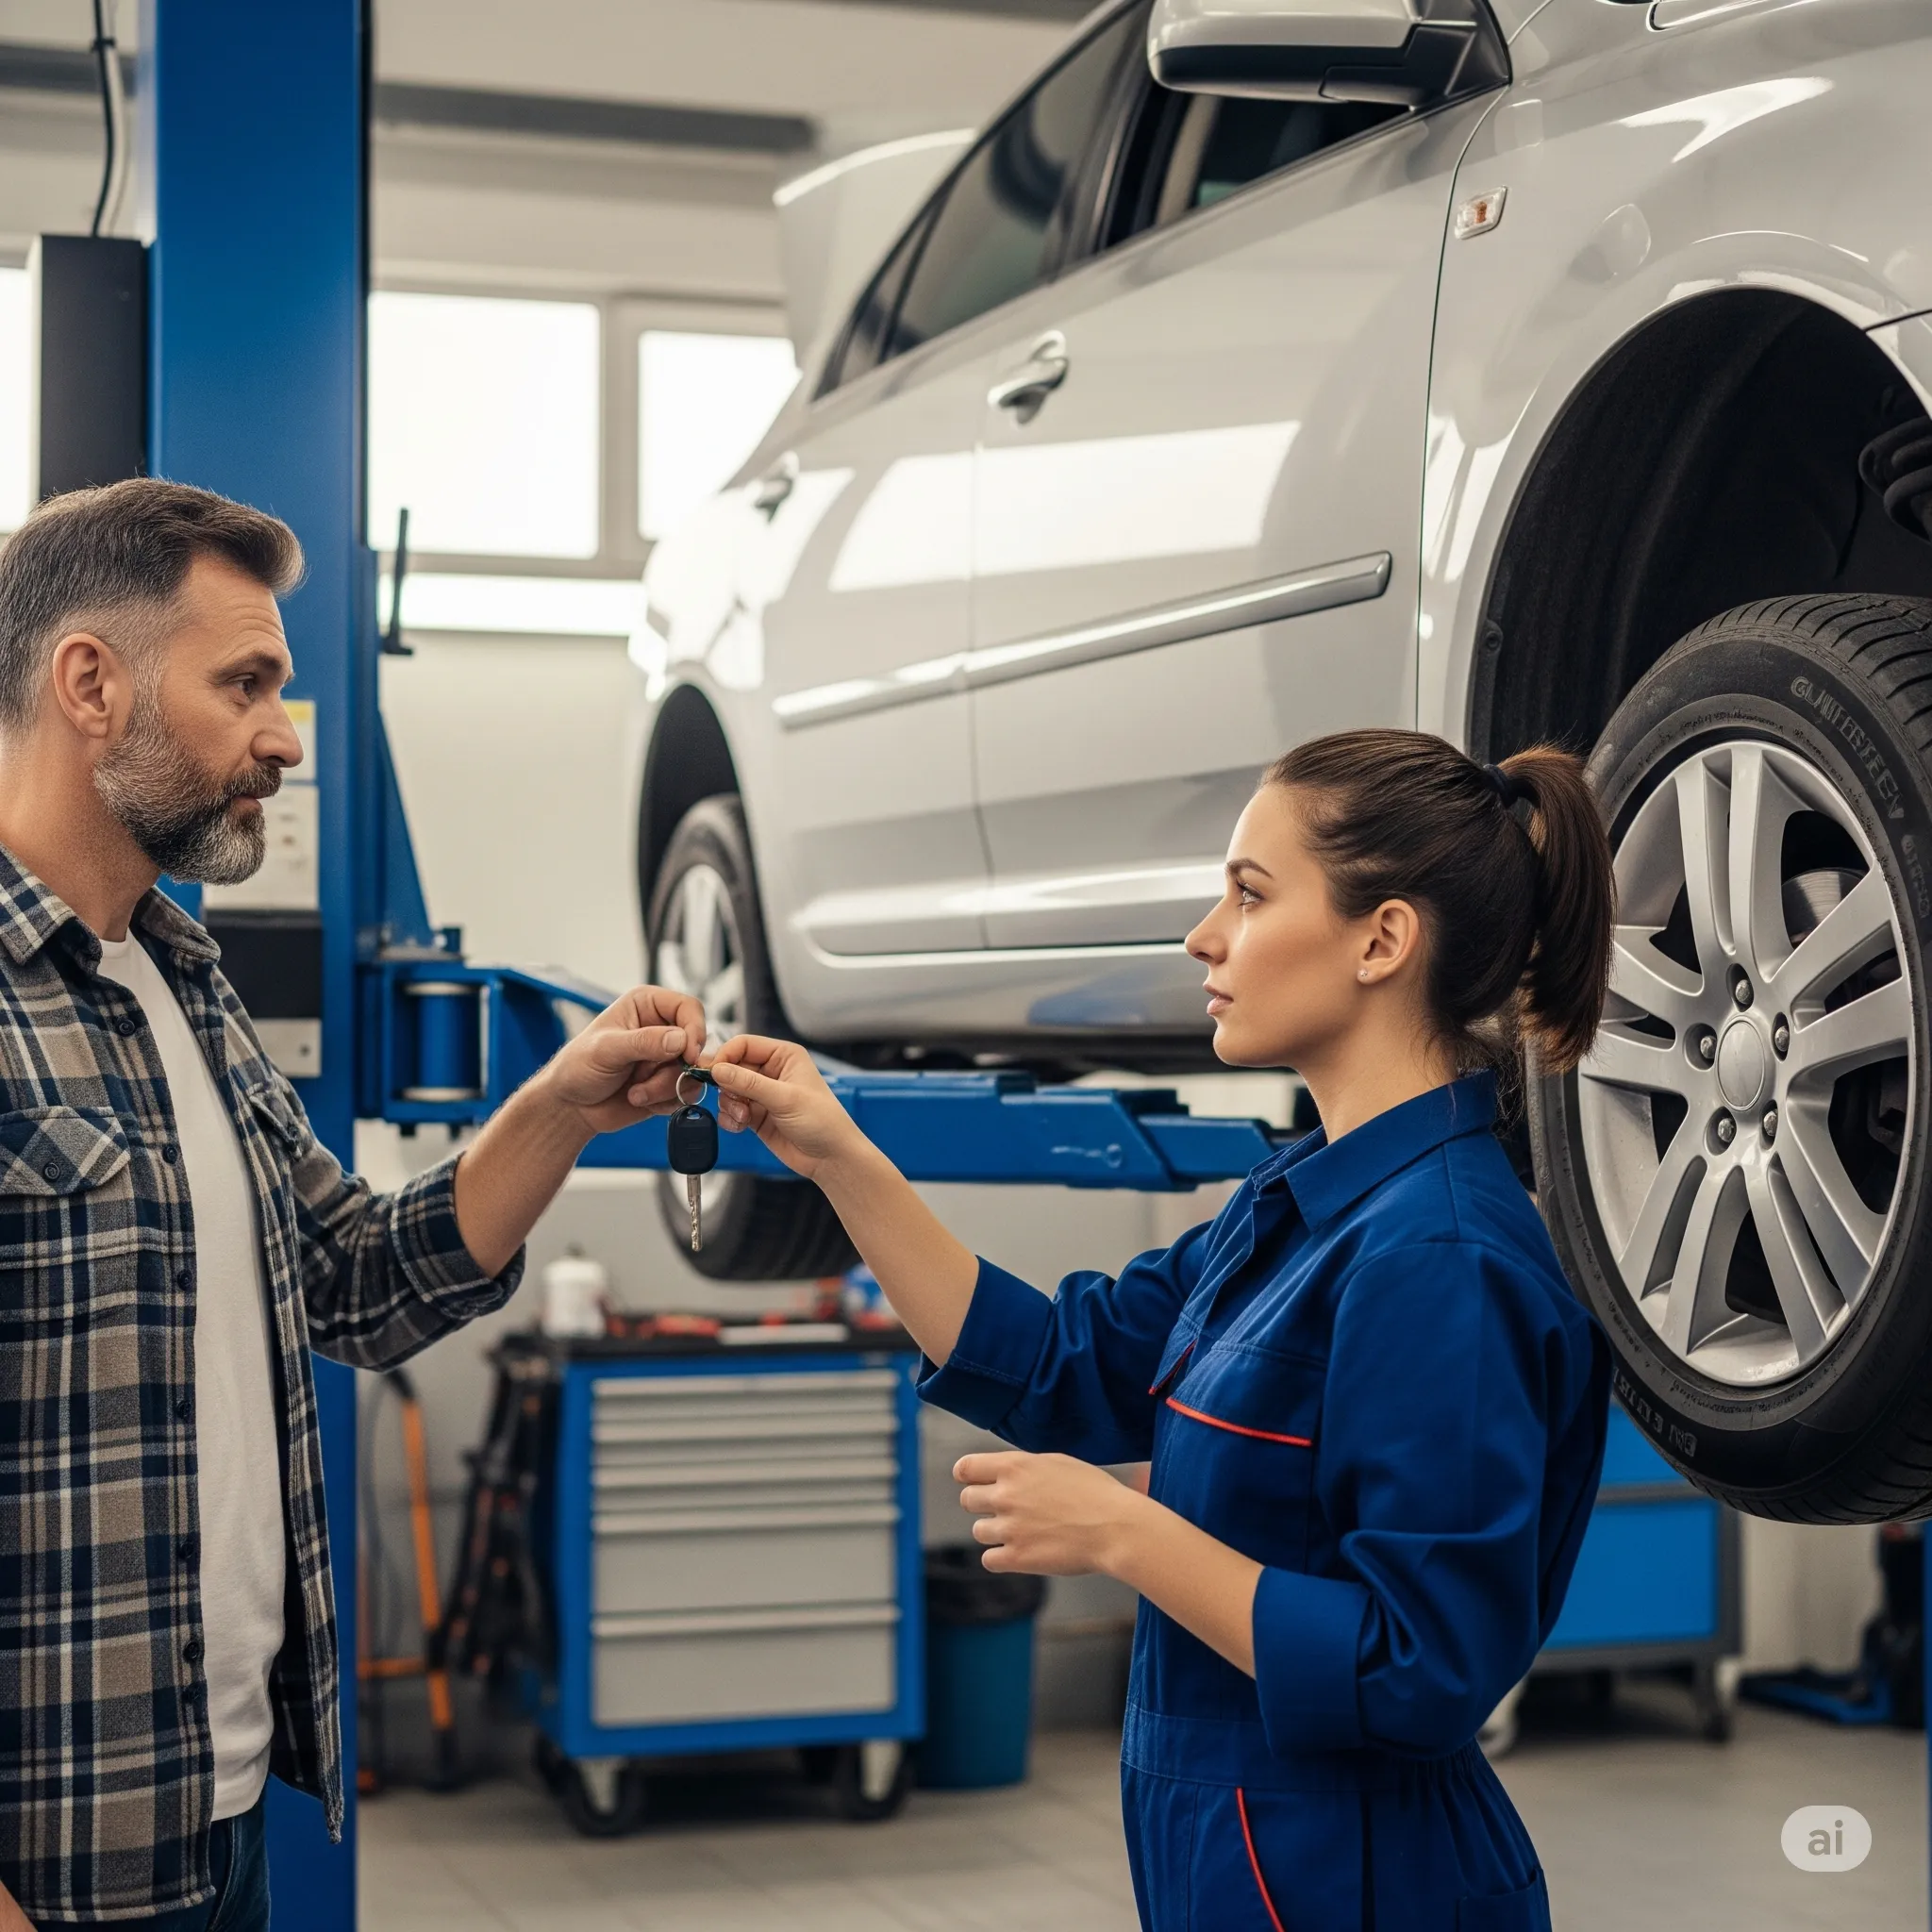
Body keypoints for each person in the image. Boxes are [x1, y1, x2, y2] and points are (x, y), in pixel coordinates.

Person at [707, 729, 1617, 1932]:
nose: (1203, 934)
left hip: (1362, 1878)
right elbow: (1053, 1364)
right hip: (1244, 1858)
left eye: (1247, 893)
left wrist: (1125, 1534)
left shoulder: (1438, 1259)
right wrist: (836, 1154)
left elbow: (1417, 1669)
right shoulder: (1297, 1206)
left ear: (1380, 939)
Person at [0, 481, 701, 1931]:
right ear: (90, 684)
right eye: (245, 683)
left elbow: (359, 1277)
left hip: (224, 1806)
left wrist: (564, 1102)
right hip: (51, 1860)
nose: (282, 736)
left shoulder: (182, 982)